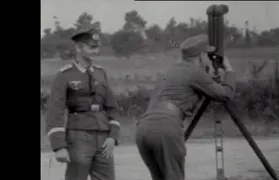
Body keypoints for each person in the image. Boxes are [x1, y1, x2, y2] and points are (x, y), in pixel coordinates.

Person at [135, 34, 236, 180]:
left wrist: (210, 78)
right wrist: (229, 71)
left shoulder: (172, 70)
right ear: (201, 56)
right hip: (165, 128)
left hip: (143, 129)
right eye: (208, 55)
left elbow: (186, 86)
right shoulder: (195, 73)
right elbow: (225, 95)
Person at [46, 24, 120, 180]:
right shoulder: (64, 75)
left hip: (103, 138)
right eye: (92, 47)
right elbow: (55, 111)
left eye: (97, 47)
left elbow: (112, 107)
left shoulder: (101, 73)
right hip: (78, 137)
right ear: (79, 48)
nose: (96, 51)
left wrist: (113, 136)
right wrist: (59, 146)